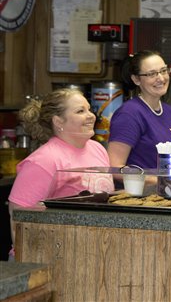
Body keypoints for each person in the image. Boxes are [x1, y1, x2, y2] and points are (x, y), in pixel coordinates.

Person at [8, 88, 113, 257]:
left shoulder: (98, 149)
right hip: (49, 256)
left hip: (89, 251)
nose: (91, 115)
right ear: (58, 121)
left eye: (89, 109)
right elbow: (18, 218)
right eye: (80, 111)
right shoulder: (44, 160)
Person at [108, 50, 171, 168]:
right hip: (139, 187)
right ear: (136, 79)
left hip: (166, 186)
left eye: (163, 71)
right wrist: (159, 179)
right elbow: (115, 167)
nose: (161, 78)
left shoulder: (170, 112)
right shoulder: (129, 114)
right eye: (152, 74)